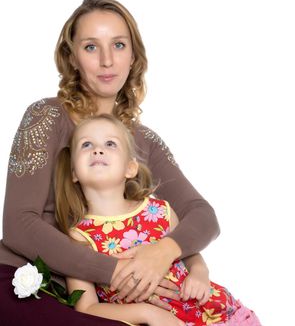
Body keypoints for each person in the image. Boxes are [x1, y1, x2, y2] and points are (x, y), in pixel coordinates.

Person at [0, 0, 220, 325]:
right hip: (28, 285)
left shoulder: (144, 142)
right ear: (71, 57)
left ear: (134, 56)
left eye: (118, 45)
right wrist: (114, 270)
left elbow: (203, 217)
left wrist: (163, 251)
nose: (107, 60)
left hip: (110, 302)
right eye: (91, 47)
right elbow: (19, 224)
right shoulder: (46, 116)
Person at [55, 114, 260, 325]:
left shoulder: (159, 211)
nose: (97, 150)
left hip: (215, 315)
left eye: (110, 144)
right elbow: (87, 307)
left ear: (130, 168)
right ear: (73, 172)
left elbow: (190, 254)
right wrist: (147, 313)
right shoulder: (78, 237)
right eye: (86, 144)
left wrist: (200, 272)